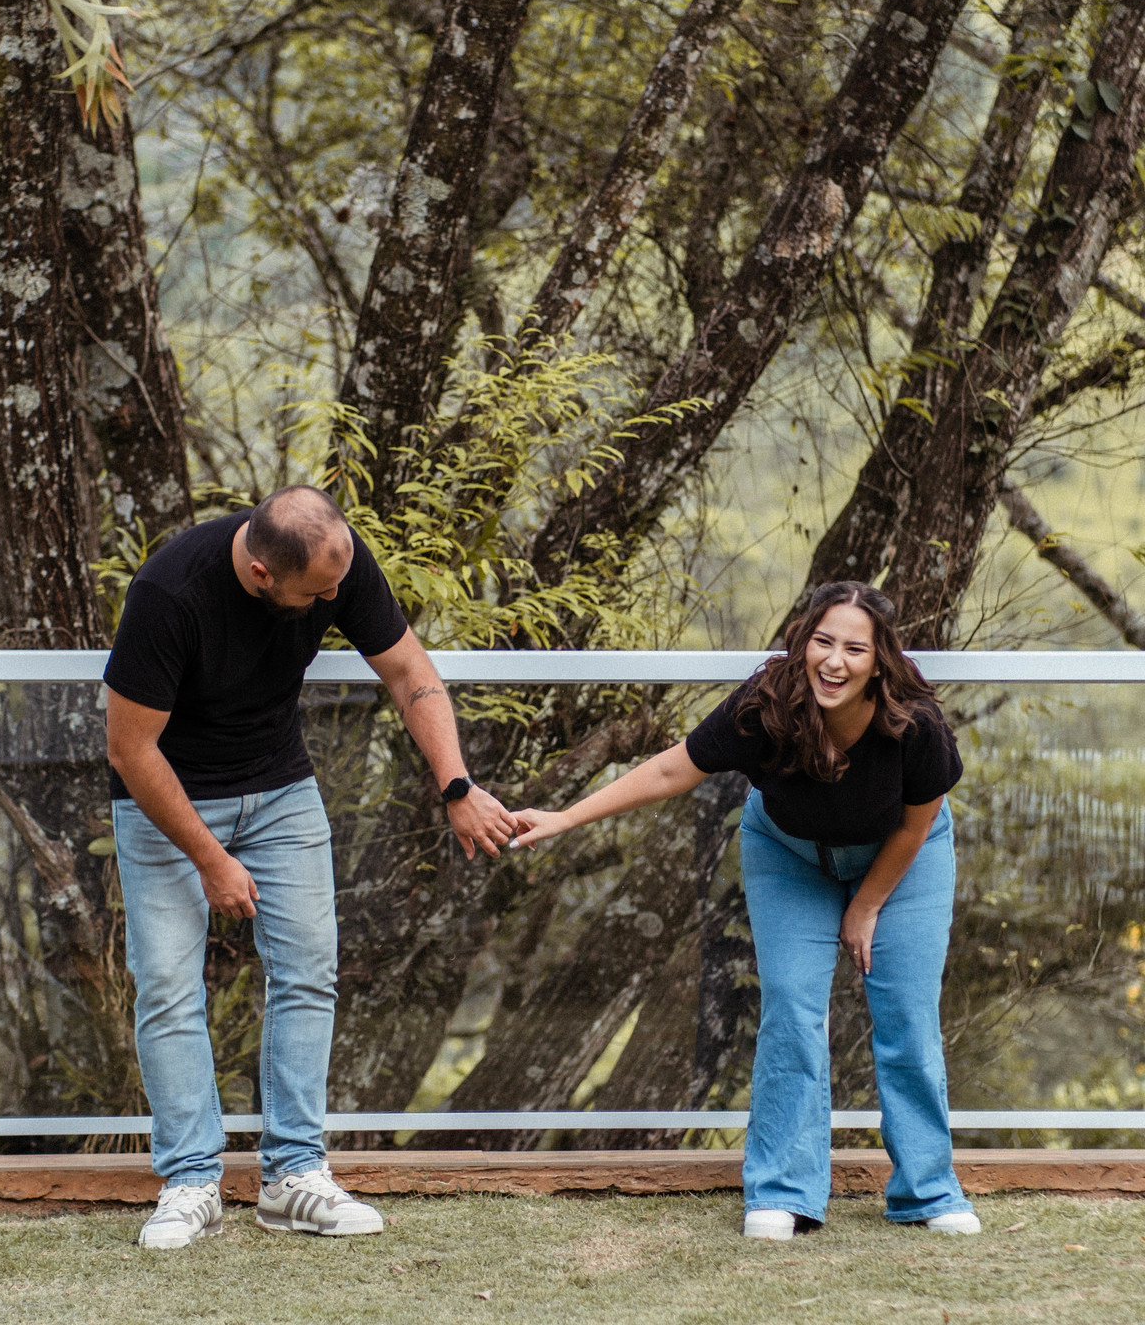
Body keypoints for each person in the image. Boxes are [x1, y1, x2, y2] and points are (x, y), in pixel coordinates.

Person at [104, 485, 516, 1250]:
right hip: (167, 800)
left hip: (281, 791)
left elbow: (408, 670)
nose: (333, 599)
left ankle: (294, 1176)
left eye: (338, 583)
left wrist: (456, 786)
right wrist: (210, 859)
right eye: (317, 593)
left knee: (308, 973)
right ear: (263, 573)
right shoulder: (170, 592)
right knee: (167, 986)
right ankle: (191, 1183)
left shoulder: (335, 563)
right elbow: (129, 750)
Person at [511, 581, 979, 1241]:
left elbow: (915, 824)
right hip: (790, 855)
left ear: (880, 661)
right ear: (802, 641)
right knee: (791, 1009)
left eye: (854, 649)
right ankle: (784, 1191)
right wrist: (565, 817)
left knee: (907, 1012)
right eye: (822, 642)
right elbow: (672, 771)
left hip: (903, 859)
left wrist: (867, 905)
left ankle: (927, 1190)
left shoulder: (915, 723)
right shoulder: (765, 704)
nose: (834, 661)